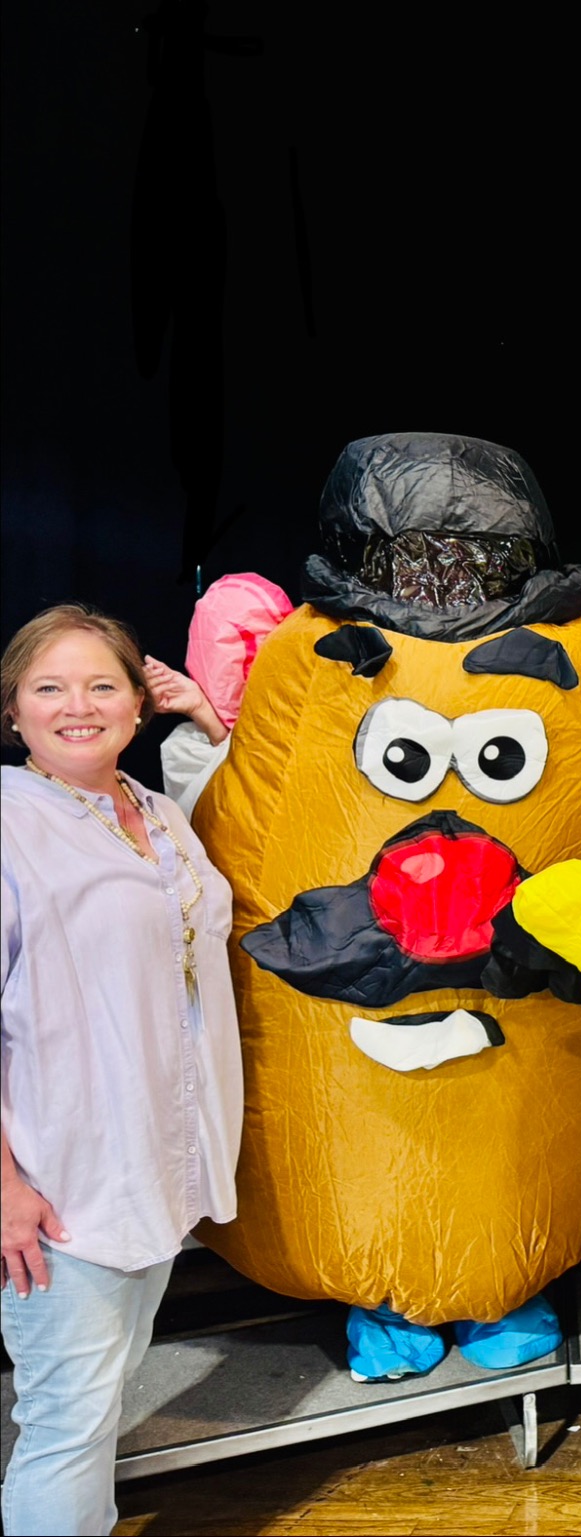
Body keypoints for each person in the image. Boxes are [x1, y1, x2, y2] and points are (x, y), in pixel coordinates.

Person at [1, 605, 242, 1536]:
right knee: (67, 1425)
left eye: (103, 685)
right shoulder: (11, 823)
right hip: (60, 1187)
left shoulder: (160, 813)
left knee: (95, 1411)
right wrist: (5, 1186)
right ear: (14, 710)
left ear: (138, 705)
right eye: (50, 687)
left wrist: (210, 722)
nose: (79, 706)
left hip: (152, 1165)